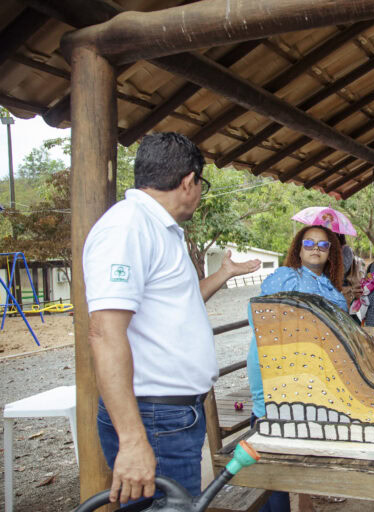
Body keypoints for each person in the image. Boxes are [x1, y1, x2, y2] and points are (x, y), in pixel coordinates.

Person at [83, 132, 261, 505]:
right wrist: (132, 441)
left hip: (173, 414)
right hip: (154, 416)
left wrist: (223, 274)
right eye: (201, 183)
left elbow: (179, 301)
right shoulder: (127, 227)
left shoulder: (160, 228)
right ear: (188, 182)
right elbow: (103, 332)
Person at [247, 225, 346, 512]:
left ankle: (304, 504)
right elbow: (262, 319)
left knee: (302, 448)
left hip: (310, 376)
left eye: (323, 245)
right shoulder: (284, 276)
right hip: (275, 370)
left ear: (331, 254)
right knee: (271, 452)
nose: (316, 248)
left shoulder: (329, 286)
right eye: (309, 242)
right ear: (298, 248)